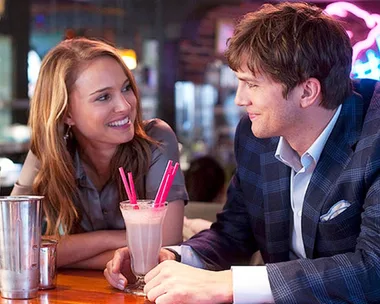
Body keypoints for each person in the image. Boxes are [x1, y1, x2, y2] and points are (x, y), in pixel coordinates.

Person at [104, 2, 380, 303]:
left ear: (307, 92)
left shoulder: (373, 135)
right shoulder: (255, 136)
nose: (239, 99)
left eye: (252, 84)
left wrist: (232, 284)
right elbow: (235, 232)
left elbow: (373, 270)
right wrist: (174, 257)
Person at [11, 37, 188, 269]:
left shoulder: (156, 139)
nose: (125, 106)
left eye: (126, 88)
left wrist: (56, 252)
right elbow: (14, 245)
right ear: (67, 114)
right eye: (103, 97)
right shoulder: (50, 152)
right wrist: (124, 239)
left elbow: (165, 248)